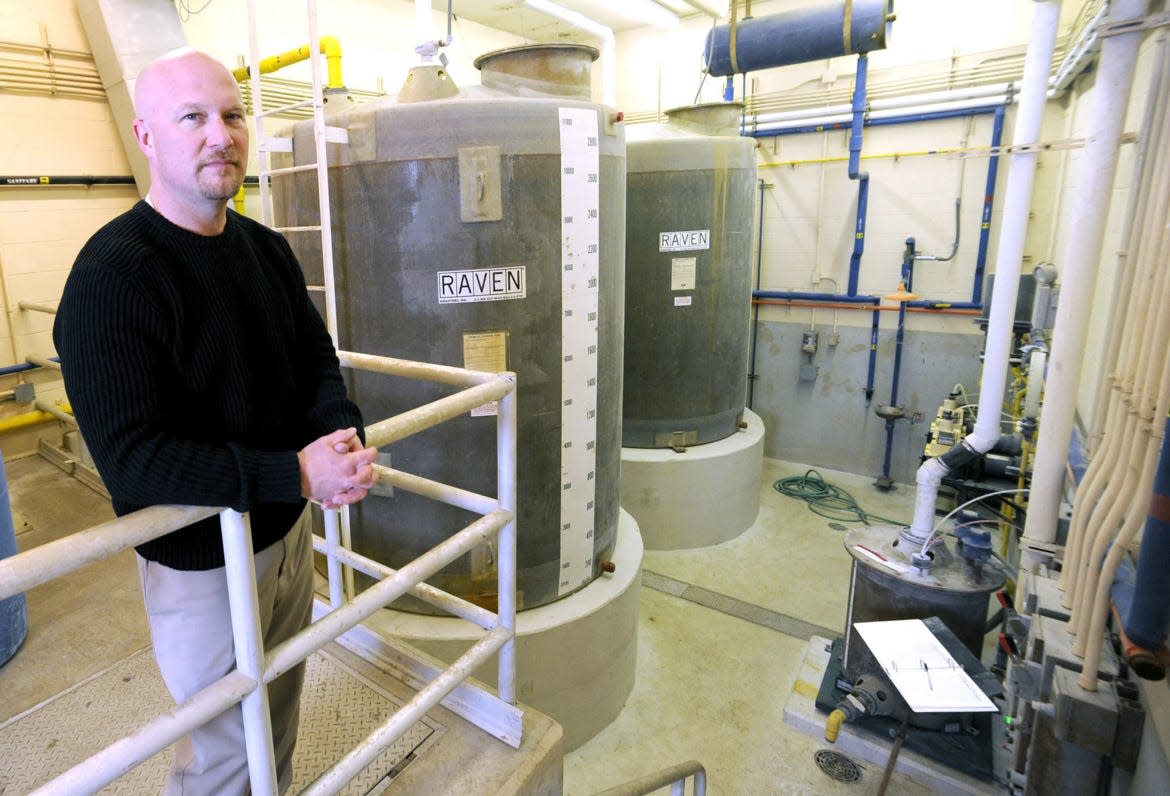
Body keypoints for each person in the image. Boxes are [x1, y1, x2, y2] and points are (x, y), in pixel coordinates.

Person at [52, 48, 378, 794]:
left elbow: (314, 360)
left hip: (287, 535)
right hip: (203, 561)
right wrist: (295, 471)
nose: (220, 135)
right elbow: (134, 460)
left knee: (280, 710)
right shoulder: (112, 277)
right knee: (225, 751)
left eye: (232, 115)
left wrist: (337, 431)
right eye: (192, 117)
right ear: (147, 136)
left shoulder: (263, 249)